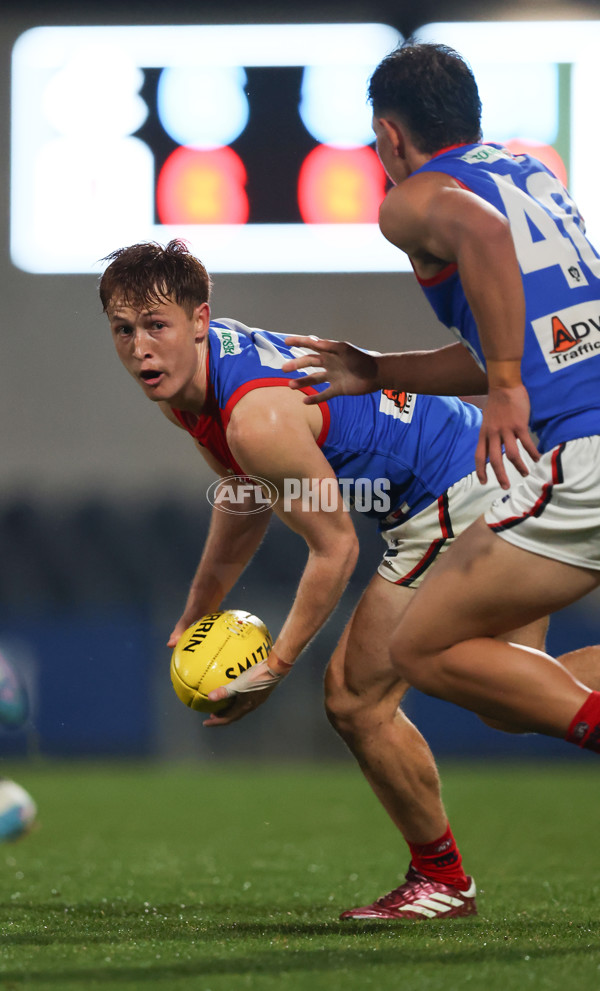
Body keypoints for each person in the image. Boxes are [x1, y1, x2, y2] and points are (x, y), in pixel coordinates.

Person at [99, 240, 597, 922]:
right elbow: (247, 495)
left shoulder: (254, 415)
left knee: (355, 698)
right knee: (509, 693)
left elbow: (333, 548)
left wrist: (276, 665)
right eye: (124, 330)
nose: (139, 348)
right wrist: (200, 607)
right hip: (486, 465)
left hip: (451, 491)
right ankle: (444, 880)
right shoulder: (190, 383)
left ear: (199, 319)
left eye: (155, 324)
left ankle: (442, 879)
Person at [281, 45, 600, 768]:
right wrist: (377, 368)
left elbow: (481, 237)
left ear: (390, 136)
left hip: (585, 453)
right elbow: (506, 340)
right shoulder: (531, 173)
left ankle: (443, 878)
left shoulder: (413, 200)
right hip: (585, 437)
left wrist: (511, 386)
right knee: (508, 688)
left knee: (423, 646)